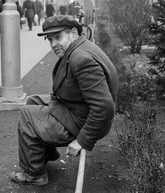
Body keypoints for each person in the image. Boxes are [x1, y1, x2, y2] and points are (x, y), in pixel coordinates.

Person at [10, 15, 119, 185]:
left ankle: (35, 174)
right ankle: (46, 154)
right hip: (78, 109)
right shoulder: (80, 48)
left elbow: (104, 107)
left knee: (26, 115)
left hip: (83, 121)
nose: (53, 44)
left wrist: (82, 140)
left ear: (73, 34)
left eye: (58, 37)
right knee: (33, 101)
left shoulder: (81, 59)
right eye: (50, 39)